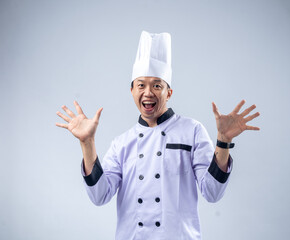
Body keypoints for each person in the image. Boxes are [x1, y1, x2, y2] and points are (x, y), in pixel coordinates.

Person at [56, 31, 260, 240]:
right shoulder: (122, 143)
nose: (148, 92)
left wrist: (223, 142)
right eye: (141, 85)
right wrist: (87, 143)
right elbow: (100, 195)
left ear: (168, 92)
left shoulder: (192, 131)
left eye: (157, 85)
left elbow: (212, 192)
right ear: (132, 90)